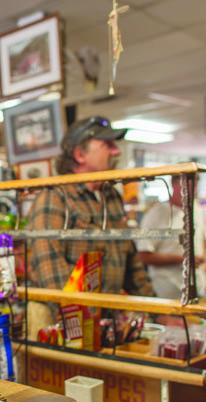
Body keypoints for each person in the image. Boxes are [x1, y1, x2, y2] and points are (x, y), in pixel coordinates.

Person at [26, 116, 154, 335]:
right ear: (80, 154)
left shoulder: (111, 196)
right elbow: (53, 279)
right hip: (69, 328)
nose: (116, 152)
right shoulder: (54, 198)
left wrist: (159, 312)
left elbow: (132, 265)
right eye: (108, 145)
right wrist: (90, 325)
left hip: (104, 324)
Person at [136, 176, 206, 299]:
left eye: (195, 186)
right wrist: (184, 259)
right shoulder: (156, 214)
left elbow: (203, 240)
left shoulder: (197, 209)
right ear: (173, 184)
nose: (192, 191)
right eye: (187, 186)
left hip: (197, 289)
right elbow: (144, 256)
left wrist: (203, 262)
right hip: (167, 293)